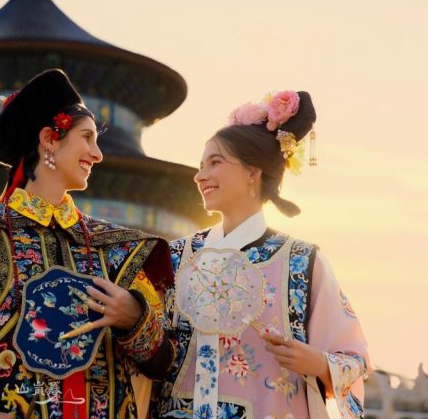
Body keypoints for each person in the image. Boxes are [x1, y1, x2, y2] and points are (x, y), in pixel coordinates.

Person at [0, 68, 175, 419]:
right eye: (87, 137)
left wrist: (134, 318)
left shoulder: (116, 251)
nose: (98, 153)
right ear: (50, 139)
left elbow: (163, 361)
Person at [153, 90, 370, 419]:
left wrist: (318, 363)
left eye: (215, 162)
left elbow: (356, 361)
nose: (200, 176)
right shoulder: (175, 257)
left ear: (253, 173)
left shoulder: (301, 262)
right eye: (200, 166)